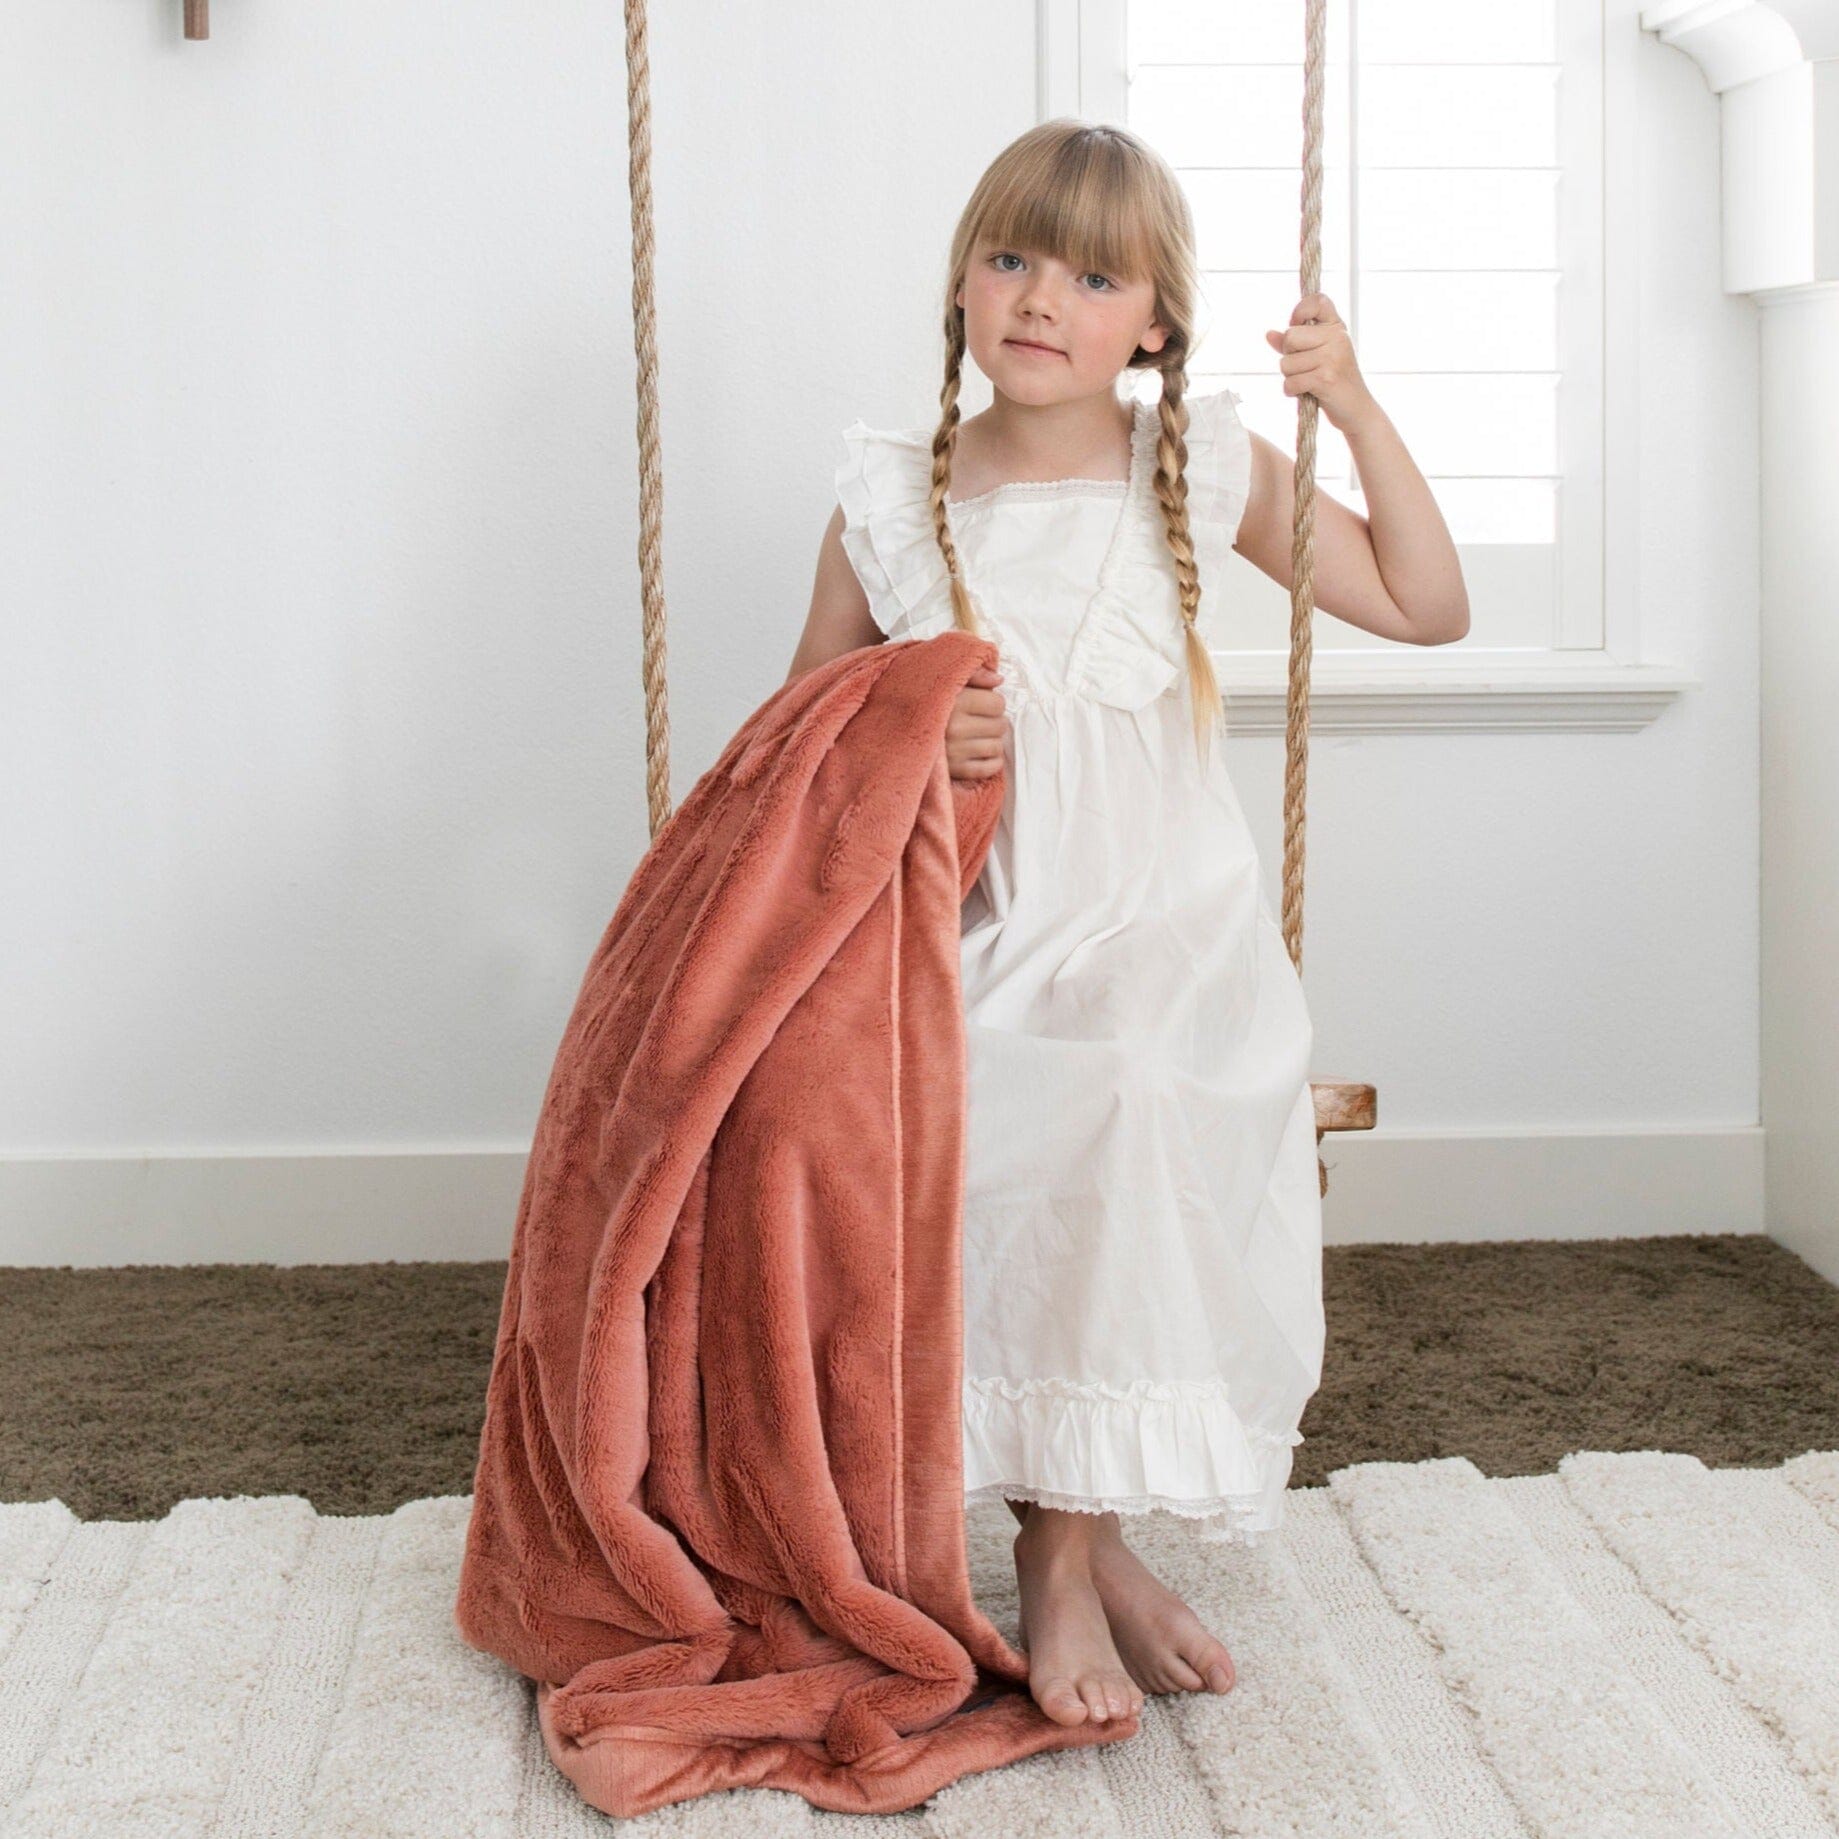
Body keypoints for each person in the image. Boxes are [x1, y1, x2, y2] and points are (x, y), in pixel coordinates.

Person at [790, 118, 1468, 1734]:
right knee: (963, 1100)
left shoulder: (1200, 464)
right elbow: (793, 748)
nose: (1041, 298)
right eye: (1011, 256)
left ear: (1155, 323)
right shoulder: (890, 498)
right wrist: (899, 720)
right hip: (979, 920)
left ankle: (1068, 1559)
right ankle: (1086, 1552)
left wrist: (1352, 404)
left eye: (1094, 275)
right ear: (964, 277)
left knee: (1127, 1082)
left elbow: (1427, 607)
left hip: (1168, 929)